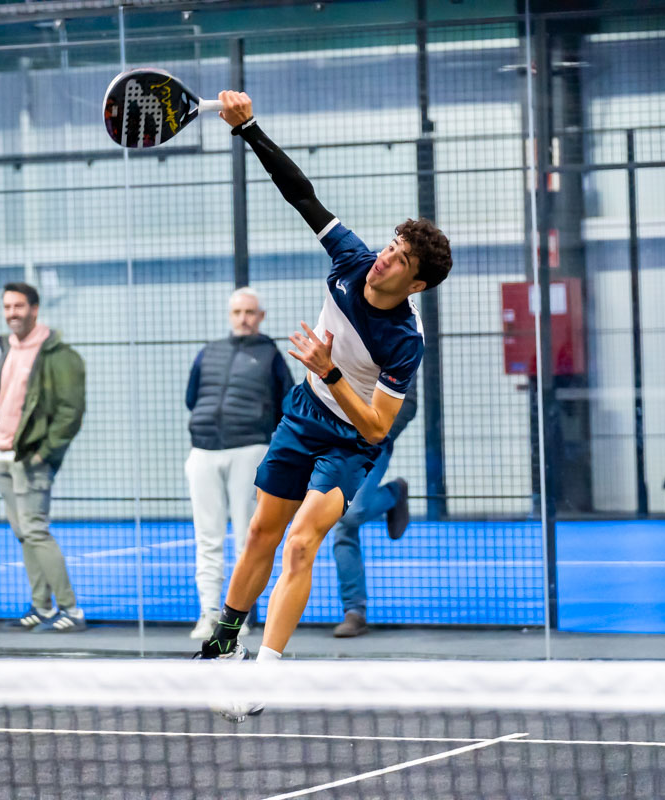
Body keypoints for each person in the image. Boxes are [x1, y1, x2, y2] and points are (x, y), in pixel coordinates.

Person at [196, 91, 451, 717]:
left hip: (350, 443)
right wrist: (249, 129)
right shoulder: (352, 260)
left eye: (400, 260)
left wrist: (331, 371)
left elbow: (377, 426)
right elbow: (301, 193)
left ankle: (264, 675)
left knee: (301, 544)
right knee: (260, 532)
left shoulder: (405, 341)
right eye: (390, 245)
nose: (385, 259)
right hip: (302, 416)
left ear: (416, 283)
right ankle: (223, 646)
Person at [0, 282, 87, 632]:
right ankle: (42, 607)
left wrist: (43, 454)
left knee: (35, 531)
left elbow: (70, 411)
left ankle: (71, 610)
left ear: (34, 309)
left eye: (18, 306)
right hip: (1, 458)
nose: (11, 313)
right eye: (7, 307)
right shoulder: (9, 350)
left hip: (30, 459)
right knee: (24, 534)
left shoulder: (59, 356)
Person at [185, 287, 294, 639]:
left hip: (250, 450)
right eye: (237, 312)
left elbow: (287, 404)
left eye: (249, 312)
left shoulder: (271, 355)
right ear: (229, 315)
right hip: (203, 450)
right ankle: (208, 614)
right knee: (207, 537)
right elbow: (192, 397)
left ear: (261, 316)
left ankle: (236, 618)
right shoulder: (209, 351)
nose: (243, 319)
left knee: (248, 538)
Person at [330, 373, 416, 638]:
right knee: (342, 525)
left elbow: (408, 402)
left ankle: (394, 493)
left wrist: (376, 433)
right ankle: (354, 613)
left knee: (351, 513)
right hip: (333, 444)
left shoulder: (397, 349)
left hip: (372, 443)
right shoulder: (333, 348)